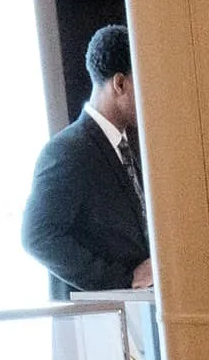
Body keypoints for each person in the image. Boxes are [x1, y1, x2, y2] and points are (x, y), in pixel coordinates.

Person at [22, 25, 152, 301]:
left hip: (136, 317)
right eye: (145, 84)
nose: (152, 98)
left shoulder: (129, 145)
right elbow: (37, 236)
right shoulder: (67, 151)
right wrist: (121, 281)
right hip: (98, 322)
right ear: (120, 84)